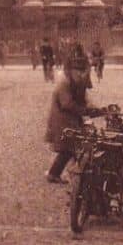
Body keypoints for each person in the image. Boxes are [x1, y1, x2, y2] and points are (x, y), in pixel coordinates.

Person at [44, 52, 96, 184]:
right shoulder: (64, 83)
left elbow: (85, 99)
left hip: (70, 119)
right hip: (61, 119)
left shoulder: (76, 83)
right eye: (77, 71)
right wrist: (84, 111)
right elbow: (67, 104)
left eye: (81, 71)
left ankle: (64, 173)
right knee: (68, 148)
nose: (79, 74)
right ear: (71, 71)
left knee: (74, 147)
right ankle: (55, 174)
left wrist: (93, 109)